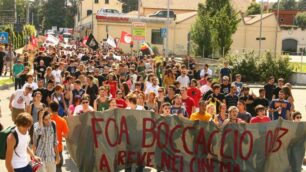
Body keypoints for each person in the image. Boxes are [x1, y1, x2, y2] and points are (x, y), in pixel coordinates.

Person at [49, 101, 69, 172]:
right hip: (59, 148)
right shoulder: (62, 120)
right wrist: (60, 135)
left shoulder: (46, 119)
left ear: (50, 109)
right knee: (58, 169)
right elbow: (66, 135)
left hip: (48, 149)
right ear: (58, 108)